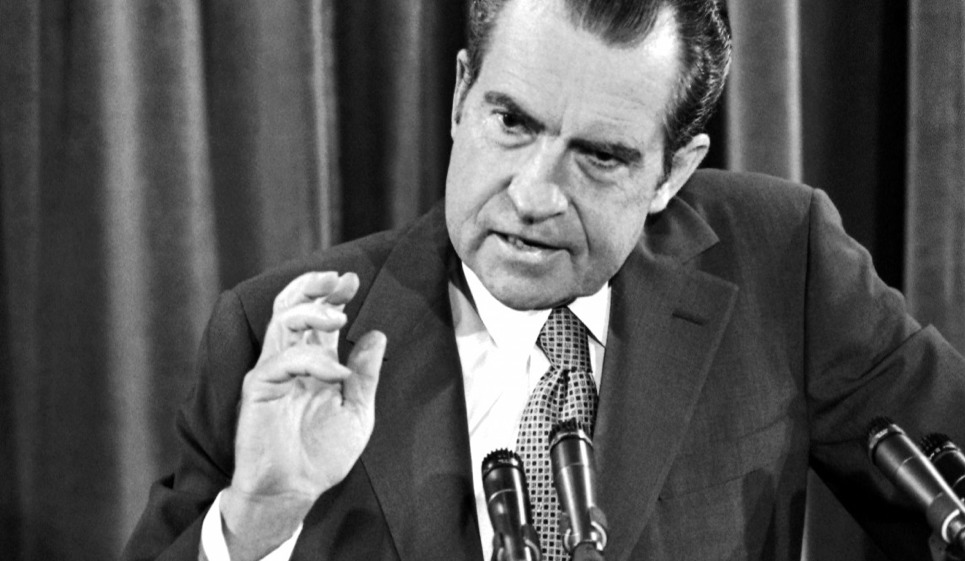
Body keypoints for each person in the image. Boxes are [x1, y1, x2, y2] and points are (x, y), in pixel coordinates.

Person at [123, 0, 965, 560]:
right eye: (511, 122)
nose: (532, 195)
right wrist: (255, 520)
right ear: (461, 96)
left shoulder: (780, 260)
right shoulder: (282, 336)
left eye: (598, 156)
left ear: (673, 172)